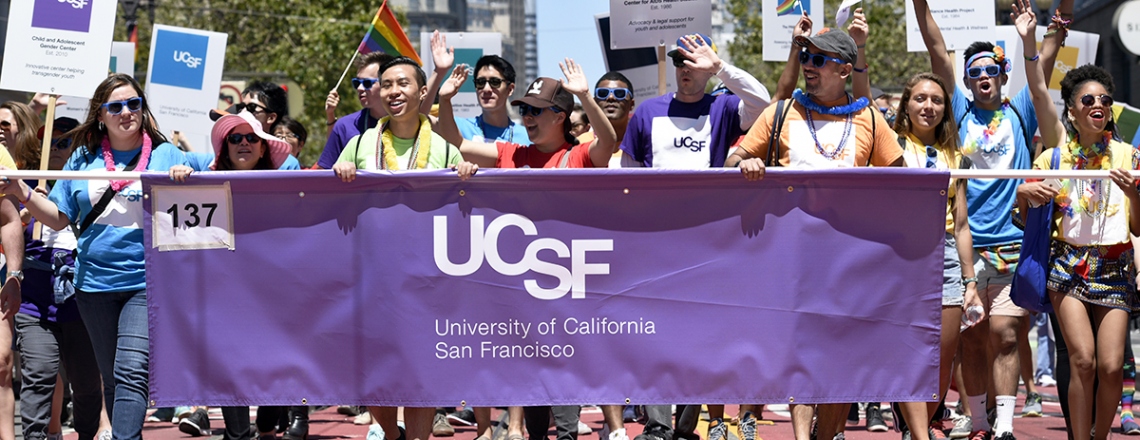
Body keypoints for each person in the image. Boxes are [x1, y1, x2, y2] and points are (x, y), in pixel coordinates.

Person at [726, 25, 903, 440]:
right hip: (790, 257)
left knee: (842, 357)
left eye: (819, 60)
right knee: (801, 354)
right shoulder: (781, 112)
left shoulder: (869, 118)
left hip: (850, 259)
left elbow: (900, 179)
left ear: (844, 70)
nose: (809, 66)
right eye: (806, 58)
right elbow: (736, 155)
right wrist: (744, 164)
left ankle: (829, 434)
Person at [0, 73, 189, 440]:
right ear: (101, 115)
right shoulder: (83, 159)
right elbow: (58, 217)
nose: (126, 112)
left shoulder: (166, 153)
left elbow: (209, 183)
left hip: (145, 282)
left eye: (134, 104)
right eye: (115, 106)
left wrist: (187, 174)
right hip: (94, 285)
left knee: (132, 370)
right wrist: (22, 190)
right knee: (112, 377)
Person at [913, 0, 1071, 437]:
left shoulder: (1020, 108)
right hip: (963, 249)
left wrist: (1042, 28)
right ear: (966, 81)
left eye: (991, 71)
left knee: (1005, 334)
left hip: (1012, 243)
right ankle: (979, 422)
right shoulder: (958, 113)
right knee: (971, 340)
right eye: (976, 73)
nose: (984, 77)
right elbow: (936, 48)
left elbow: (1050, 53)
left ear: (1002, 76)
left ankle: (1004, 427)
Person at [446, 60, 614, 440]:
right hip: (526, 283)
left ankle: (573, 432)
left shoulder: (580, 156)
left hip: (571, 283)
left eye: (536, 110)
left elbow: (608, 143)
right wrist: (444, 96)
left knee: (567, 371)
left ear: (560, 116)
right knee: (533, 375)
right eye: (524, 110)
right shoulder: (513, 154)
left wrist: (585, 95)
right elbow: (454, 142)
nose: (527, 117)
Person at [1012, 2, 1136, 439]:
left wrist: (1134, 193)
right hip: (1066, 265)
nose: (1098, 104)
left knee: (1109, 365)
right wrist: (1024, 193)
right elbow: (1020, 207)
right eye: (1089, 99)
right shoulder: (1055, 152)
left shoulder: (1129, 156)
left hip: (1117, 267)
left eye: (1105, 99)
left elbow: (1137, 226)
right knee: (1081, 359)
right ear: (1073, 109)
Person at [331, 56, 462, 440]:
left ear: (423, 92)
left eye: (402, 84)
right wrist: (340, 176)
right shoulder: (359, 144)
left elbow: (463, 203)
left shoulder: (444, 148)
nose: (392, 92)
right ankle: (391, 434)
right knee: (378, 371)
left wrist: (468, 174)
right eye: (385, 85)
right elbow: (329, 202)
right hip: (373, 278)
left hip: (428, 278)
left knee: (422, 370)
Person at [888, 71, 983, 440]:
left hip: (943, 254)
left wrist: (970, 280)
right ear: (906, 105)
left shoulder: (954, 156)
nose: (928, 106)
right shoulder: (890, 144)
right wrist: (860, 52)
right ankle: (918, 433)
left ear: (945, 110)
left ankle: (920, 427)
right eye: (920, 99)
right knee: (911, 353)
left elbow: (961, 225)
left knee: (942, 359)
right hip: (900, 255)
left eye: (937, 100)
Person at [15, 117, 109, 440]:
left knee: (85, 382)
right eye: (49, 144)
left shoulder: (91, 187)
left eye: (63, 143)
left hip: (81, 301)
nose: (55, 150)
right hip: (35, 302)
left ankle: (86, 432)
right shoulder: (22, 183)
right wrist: (28, 208)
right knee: (39, 374)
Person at [620, 33, 770, 169]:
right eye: (680, 61)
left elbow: (762, 102)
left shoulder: (723, 108)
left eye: (694, 61)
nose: (686, 68)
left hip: (707, 199)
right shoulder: (647, 110)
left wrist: (721, 68)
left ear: (711, 71)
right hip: (657, 199)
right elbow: (629, 173)